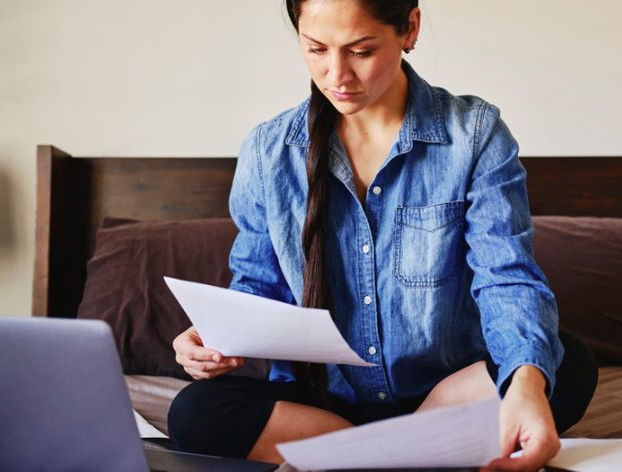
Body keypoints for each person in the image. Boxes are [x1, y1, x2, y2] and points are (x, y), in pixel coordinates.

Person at [168, 1, 598, 469]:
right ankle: (409, 451)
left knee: (561, 364)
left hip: (448, 392)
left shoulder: (474, 135)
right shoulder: (269, 150)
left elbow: (507, 277)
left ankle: (361, 456)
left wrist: (526, 384)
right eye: (316, 49)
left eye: (361, 51)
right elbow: (258, 286)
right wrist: (213, 336)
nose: (337, 75)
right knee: (194, 413)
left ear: (409, 28)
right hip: (322, 405)